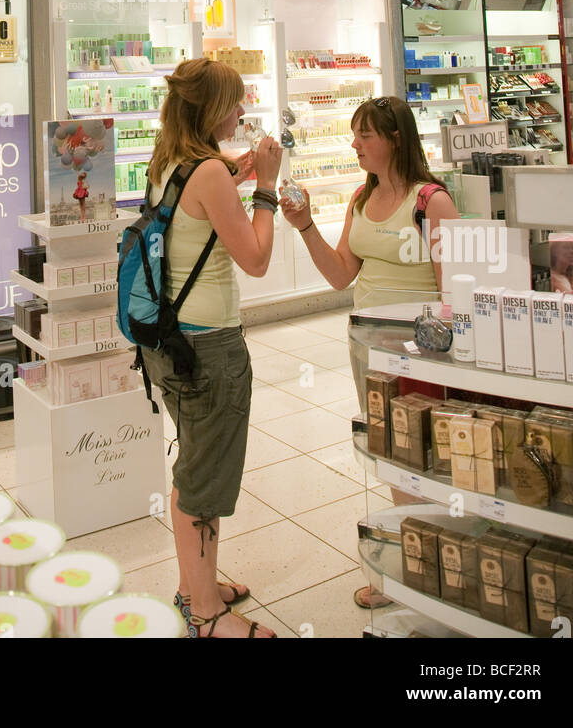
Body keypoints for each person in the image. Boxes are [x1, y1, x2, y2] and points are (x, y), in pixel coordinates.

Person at [279, 94, 460, 610]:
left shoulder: (432, 201)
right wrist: (305, 226)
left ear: (395, 139)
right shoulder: (361, 198)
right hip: (367, 347)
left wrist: (436, 354)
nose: (354, 145)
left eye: (365, 136)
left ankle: (432, 566)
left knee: (424, 455)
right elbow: (341, 275)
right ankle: (411, 563)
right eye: (354, 135)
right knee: (389, 454)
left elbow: (453, 294)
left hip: (420, 353)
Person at [141, 57, 282, 639]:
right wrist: (267, 189)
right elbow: (255, 258)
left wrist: (236, 173)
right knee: (206, 478)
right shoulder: (211, 174)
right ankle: (206, 614)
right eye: (234, 102)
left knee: (195, 467)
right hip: (210, 347)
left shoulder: (168, 162)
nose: (244, 112)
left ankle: (195, 584)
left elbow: (197, 209)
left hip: (165, 341)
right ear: (209, 109)